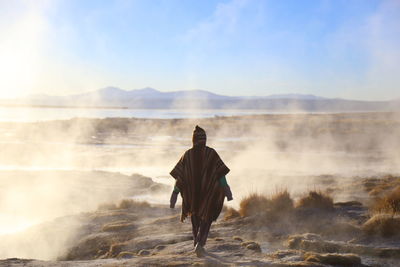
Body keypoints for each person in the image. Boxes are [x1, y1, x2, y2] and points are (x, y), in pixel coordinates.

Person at [169, 125, 233, 257]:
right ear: (204, 140)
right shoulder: (211, 153)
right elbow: (221, 175)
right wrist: (226, 190)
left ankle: (196, 245)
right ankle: (200, 244)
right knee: (207, 218)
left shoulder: (187, 155)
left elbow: (181, 177)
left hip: (192, 196)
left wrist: (175, 193)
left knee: (195, 219)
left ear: (193, 140)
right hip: (209, 195)